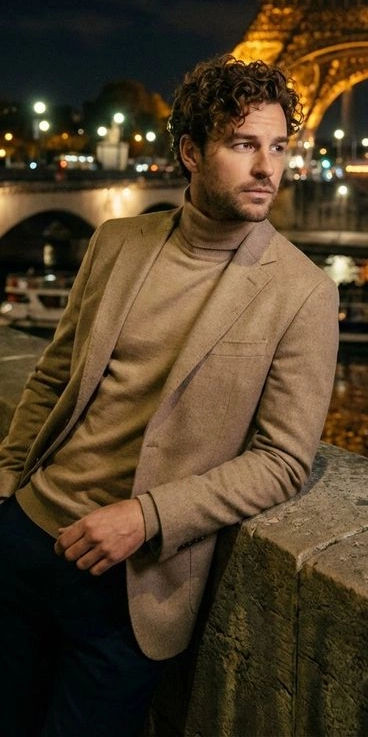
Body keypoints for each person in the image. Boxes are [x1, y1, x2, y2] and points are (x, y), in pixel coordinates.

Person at [0, 54, 340, 737]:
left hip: (131, 580)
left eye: (278, 147)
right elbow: (56, 373)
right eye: (243, 145)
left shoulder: (303, 292)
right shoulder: (116, 240)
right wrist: (8, 479)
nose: (267, 168)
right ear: (190, 152)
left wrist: (148, 516)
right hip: (24, 541)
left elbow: (282, 460)